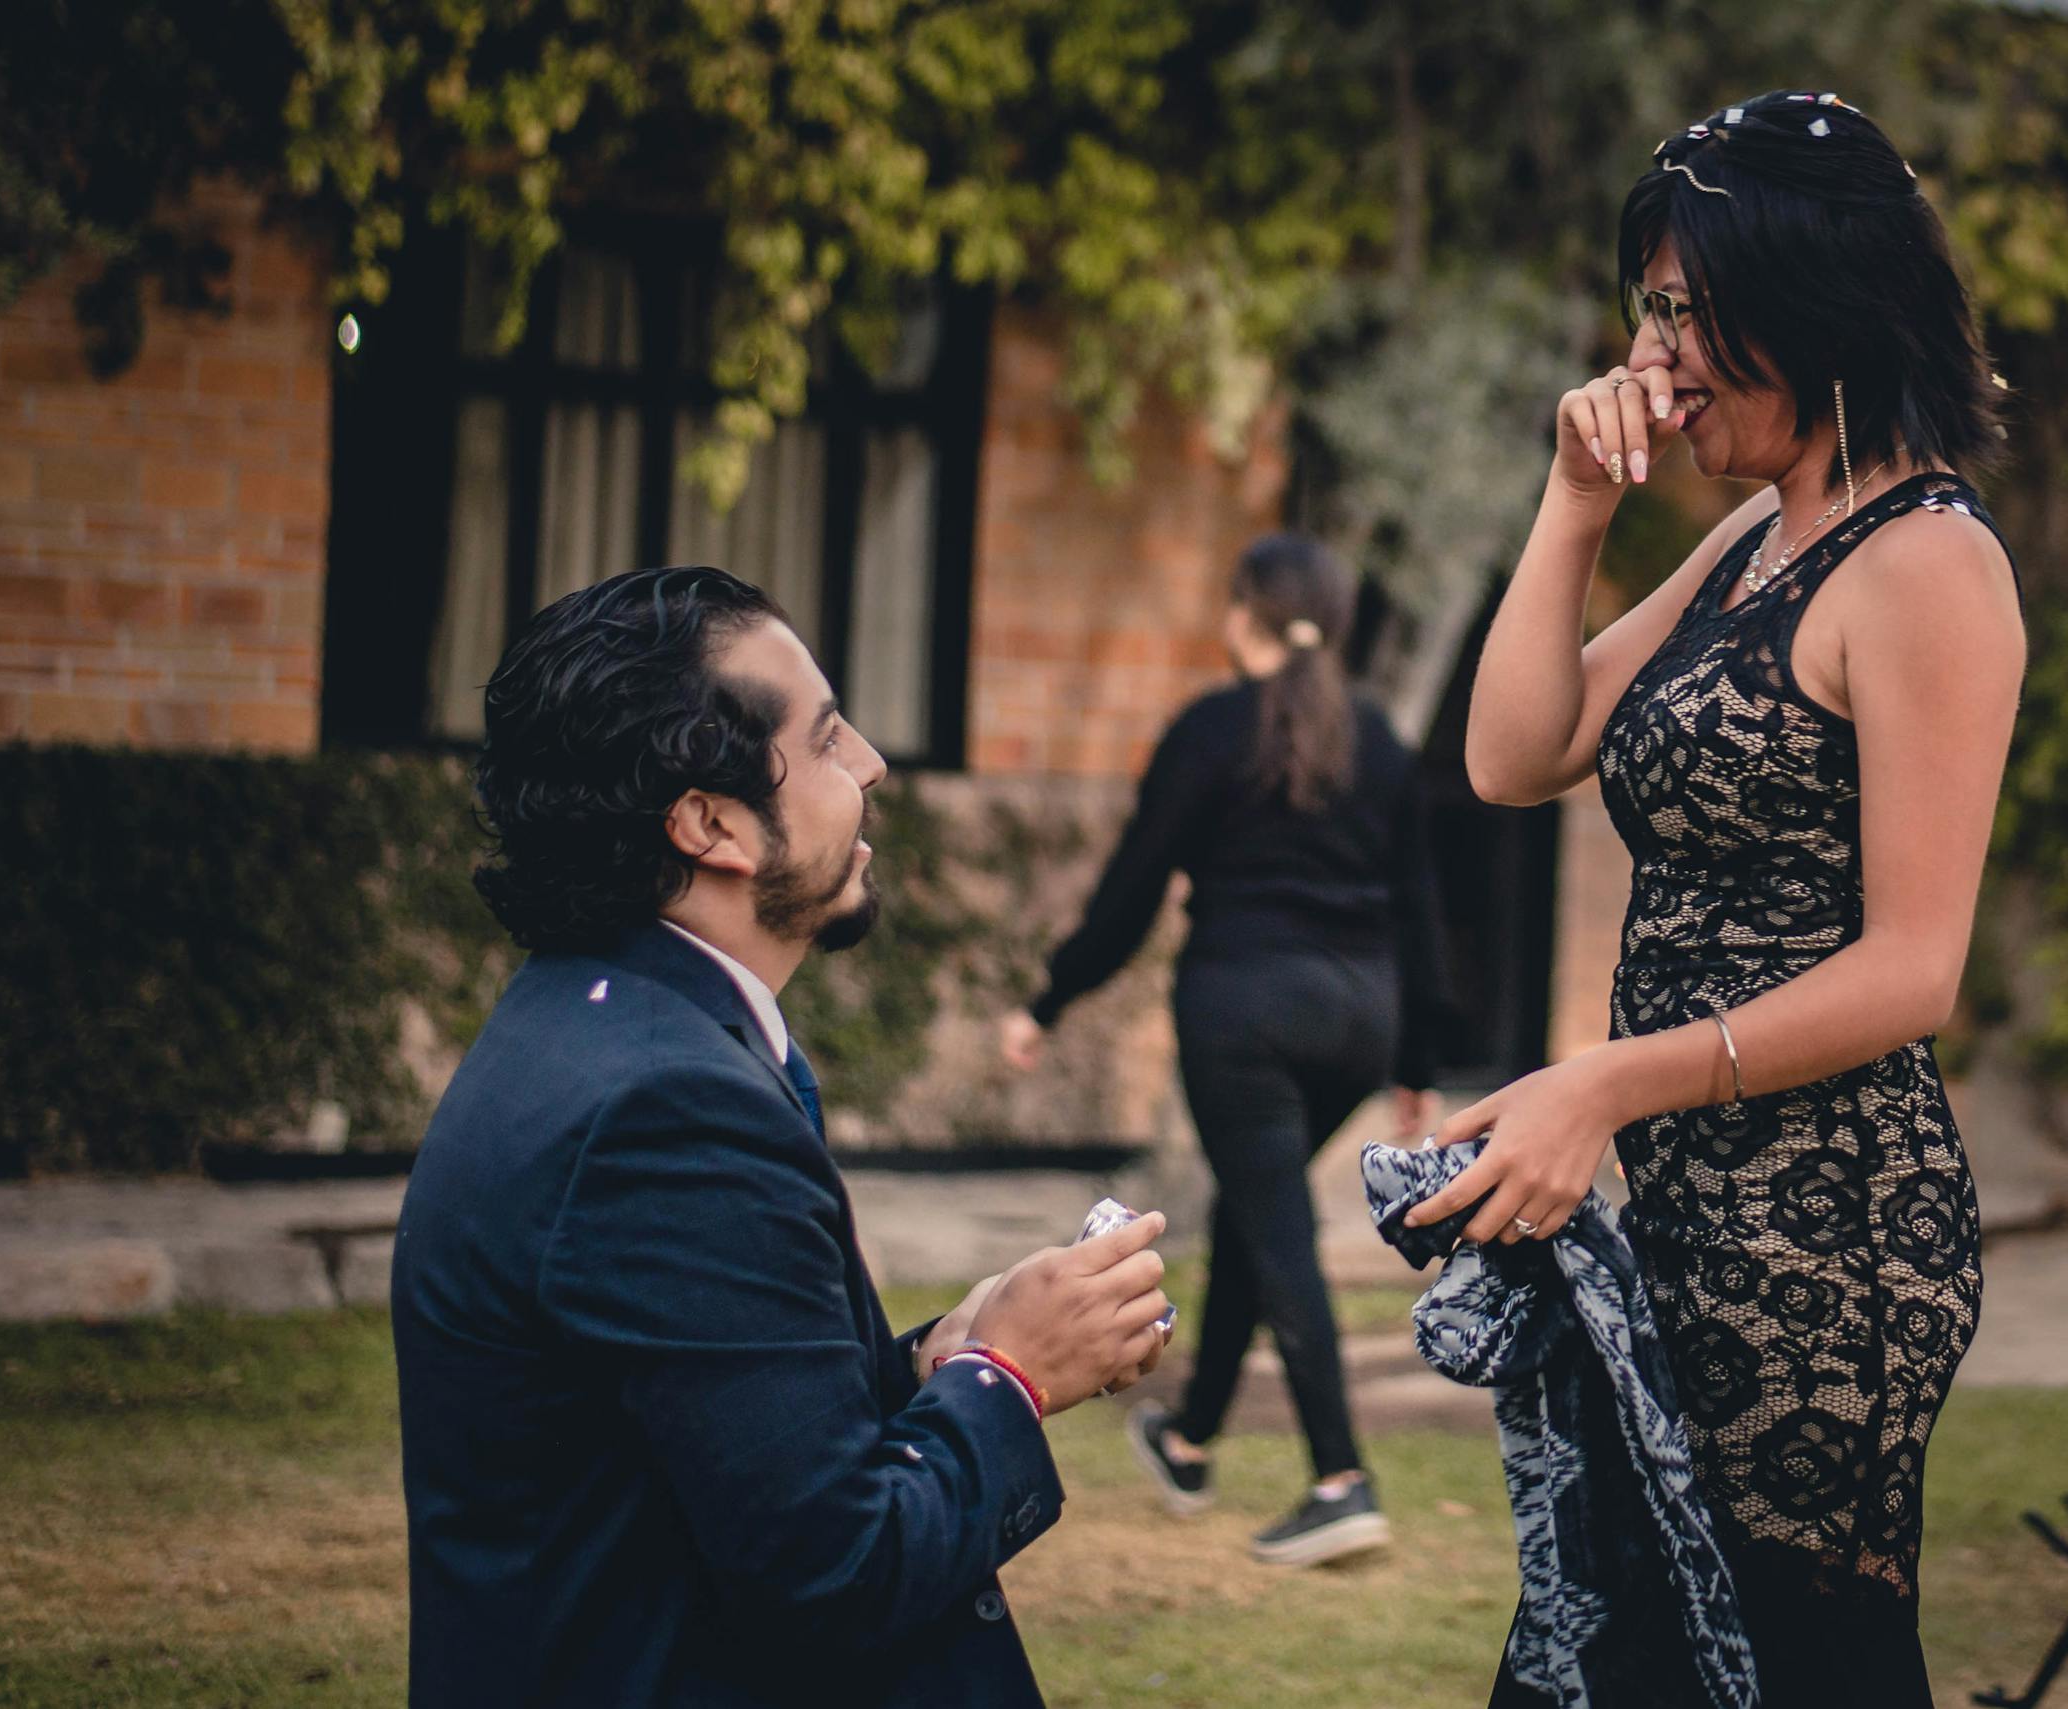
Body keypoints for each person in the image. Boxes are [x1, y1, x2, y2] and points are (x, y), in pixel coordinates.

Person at [1407, 92, 2023, 1708]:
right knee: (1611, 1645)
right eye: (1648, 305)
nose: (1652, 352)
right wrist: (1576, 498)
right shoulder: (1765, 533)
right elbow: (1512, 751)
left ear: (1815, 303)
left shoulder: (1928, 563)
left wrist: (1603, 1080)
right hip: (1684, 1205)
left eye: (1685, 307)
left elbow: (1913, 967)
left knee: (1775, 1659)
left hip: (1826, 1230)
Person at [392, 565, 1172, 1709]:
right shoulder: (663, 1109)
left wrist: (930, 1358)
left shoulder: (611, 1023)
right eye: (827, 739)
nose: (870, 765)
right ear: (709, 823)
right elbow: (836, 1568)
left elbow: (715, 1434)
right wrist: (1010, 1375)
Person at [997, 532, 1448, 1567]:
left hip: (1242, 1010)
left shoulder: (1209, 730)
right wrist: (1416, 1058)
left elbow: (1132, 887)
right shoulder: (1376, 738)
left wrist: (1048, 999)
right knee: (1263, 1205)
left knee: (1276, 1228)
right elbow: (1422, 910)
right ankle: (1192, 1440)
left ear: (1241, 615)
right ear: (1331, 625)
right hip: (1358, 1020)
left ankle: (1340, 1477)